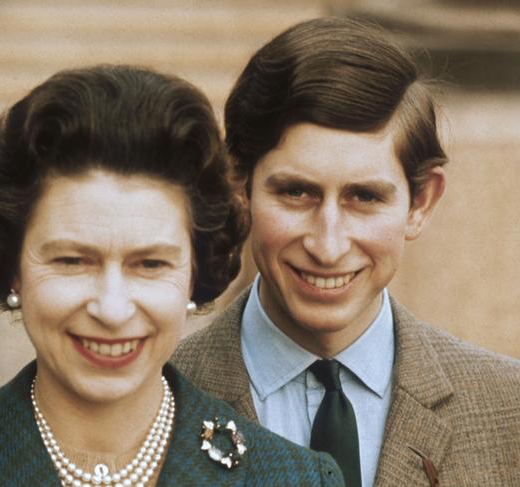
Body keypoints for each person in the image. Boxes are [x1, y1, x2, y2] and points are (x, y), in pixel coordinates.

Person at [0, 66, 344, 486]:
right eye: (72, 261)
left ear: (196, 272)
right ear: (12, 269)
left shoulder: (295, 478)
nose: (113, 309)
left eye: (151, 264)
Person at [171, 17, 520, 487]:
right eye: (296, 192)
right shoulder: (153, 403)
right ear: (239, 188)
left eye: (365, 197)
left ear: (421, 202)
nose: (328, 245)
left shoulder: (508, 410)